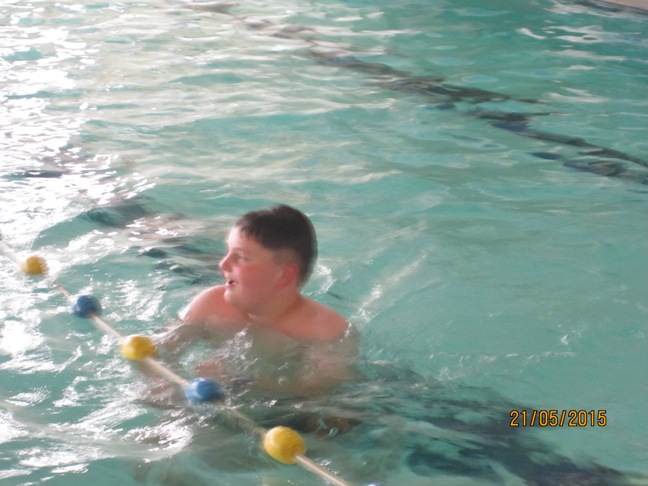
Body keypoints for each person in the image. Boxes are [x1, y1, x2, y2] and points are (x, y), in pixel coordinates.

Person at [161, 204, 357, 395]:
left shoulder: (326, 332)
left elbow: (320, 394)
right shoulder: (210, 304)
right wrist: (165, 385)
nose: (223, 264)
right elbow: (160, 352)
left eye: (241, 257)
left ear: (284, 275)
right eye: (228, 252)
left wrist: (238, 383)